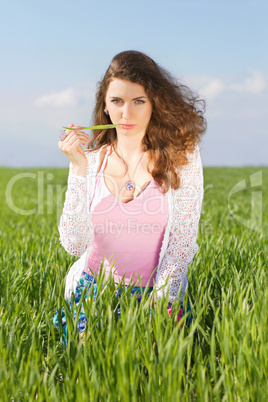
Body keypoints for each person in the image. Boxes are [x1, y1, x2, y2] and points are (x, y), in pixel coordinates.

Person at [53, 50, 206, 346]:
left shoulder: (182, 158)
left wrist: (160, 303)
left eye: (139, 101)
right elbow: (74, 244)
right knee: (91, 354)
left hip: (157, 292)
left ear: (154, 104)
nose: (127, 114)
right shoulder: (92, 161)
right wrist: (78, 168)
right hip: (95, 290)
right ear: (105, 107)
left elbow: (183, 241)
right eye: (117, 102)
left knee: (153, 357)